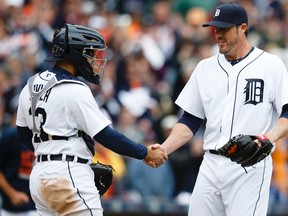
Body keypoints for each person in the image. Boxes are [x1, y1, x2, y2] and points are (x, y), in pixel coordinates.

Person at [16, 23, 167, 216]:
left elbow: (23, 134)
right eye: (89, 53)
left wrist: (50, 152)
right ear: (75, 54)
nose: (93, 59)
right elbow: (106, 135)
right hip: (67, 173)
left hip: (39, 176)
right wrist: (144, 152)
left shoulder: (30, 85)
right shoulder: (75, 88)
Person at [151, 3, 288, 216]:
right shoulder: (204, 68)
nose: (218, 34)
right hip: (210, 164)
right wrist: (164, 149)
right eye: (216, 29)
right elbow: (190, 120)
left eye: (224, 28)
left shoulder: (270, 65)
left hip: (249, 165)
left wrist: (267, 138)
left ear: (242, 28)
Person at [0, 107, 38, 216]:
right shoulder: (10, 135)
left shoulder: (47, 136)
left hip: (40, 206)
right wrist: (12, 194)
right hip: (12, 209)